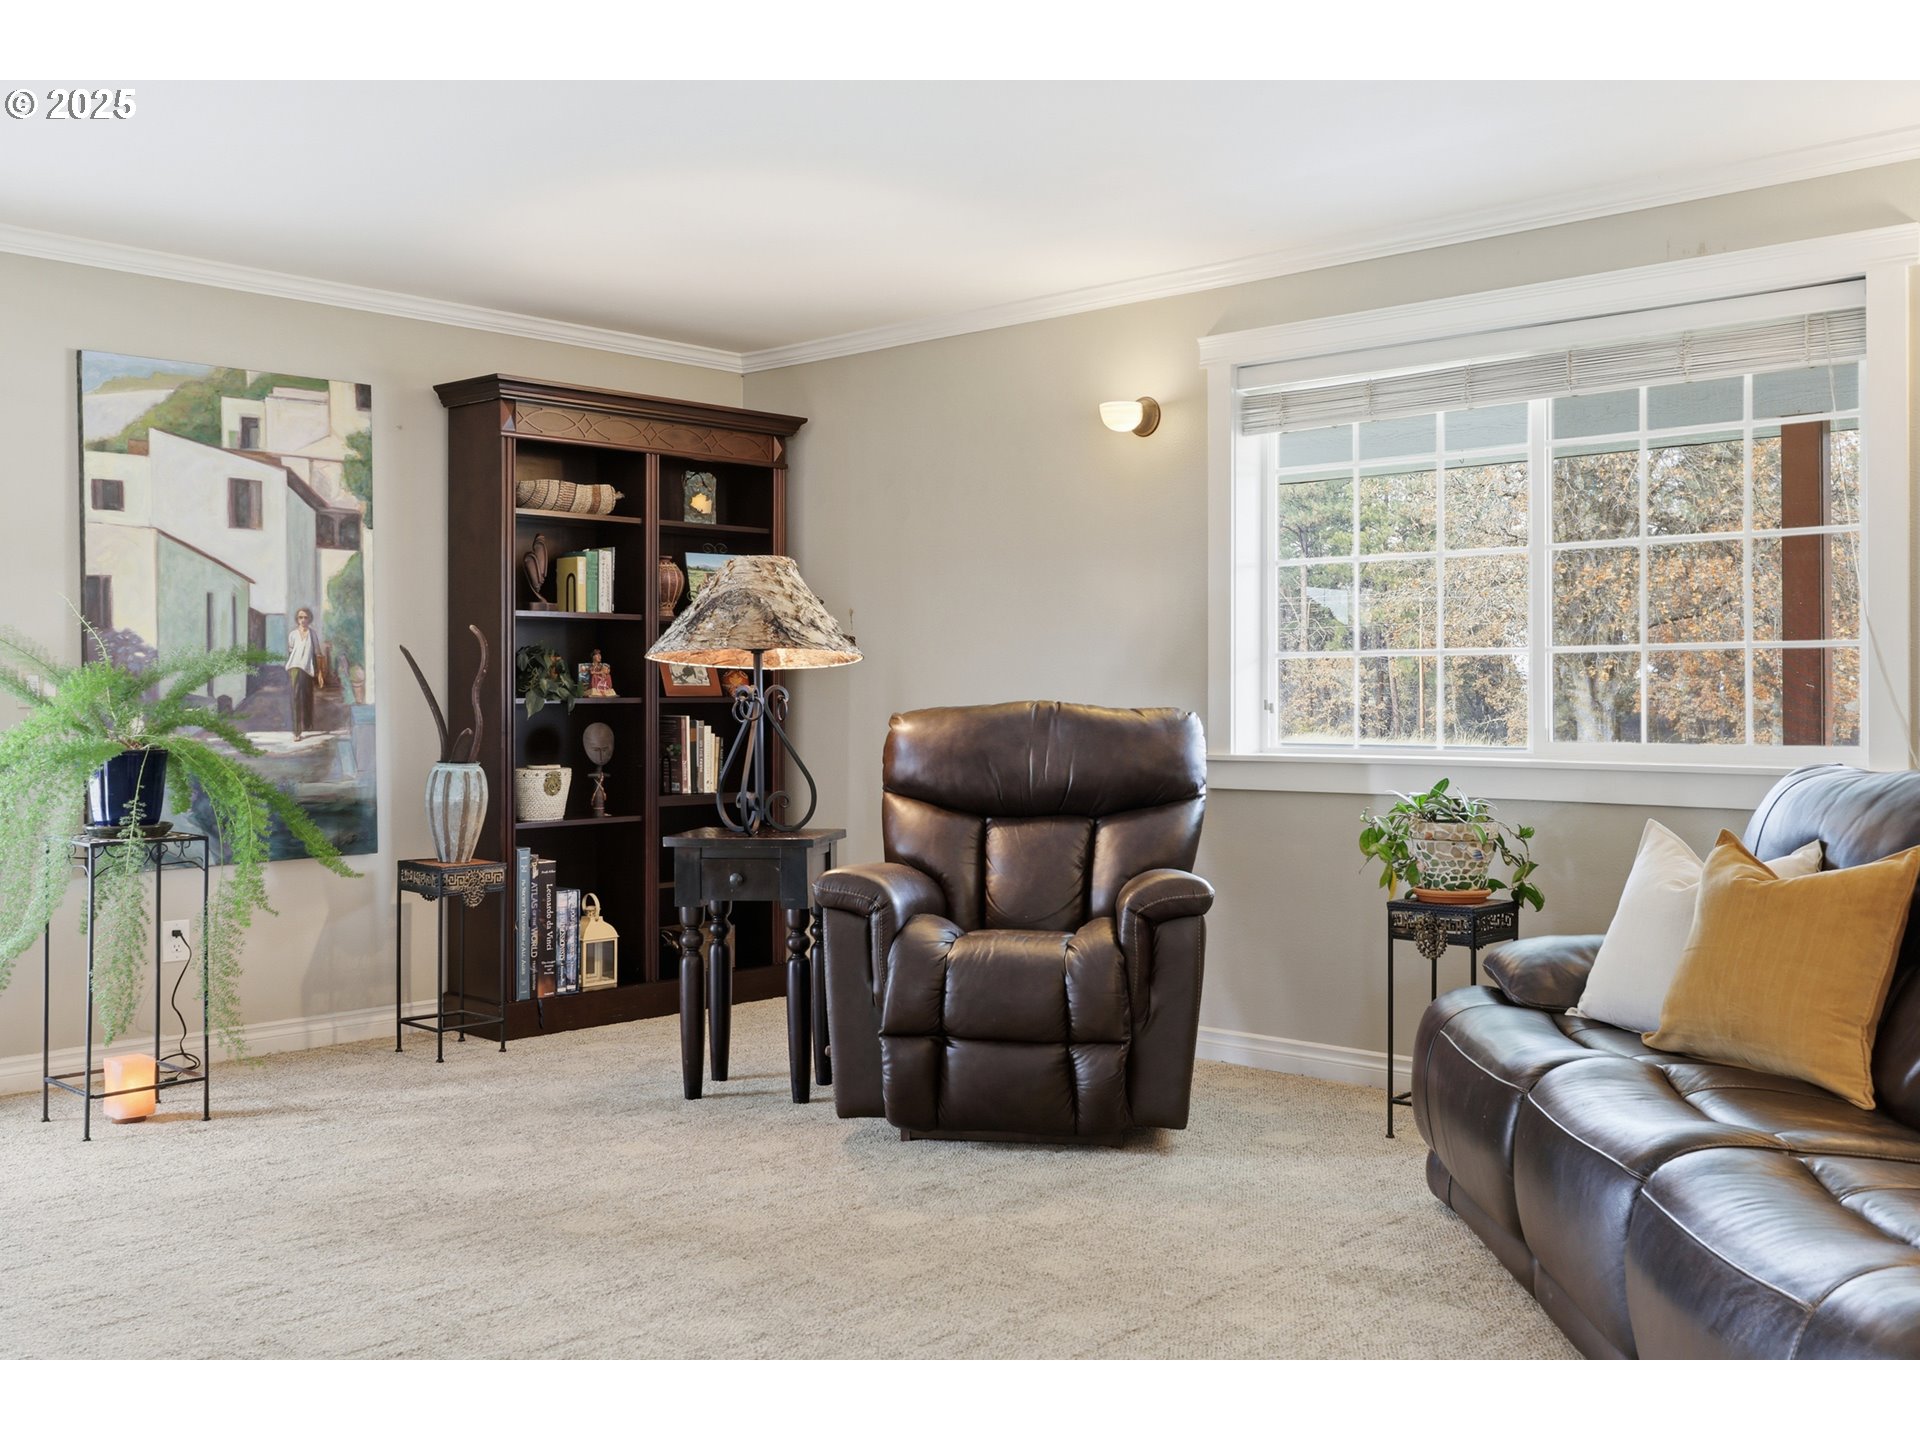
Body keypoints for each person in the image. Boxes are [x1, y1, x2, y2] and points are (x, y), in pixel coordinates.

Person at [286, 606, 317, 739]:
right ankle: (297, 731)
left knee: (308, 698)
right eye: (300, 617)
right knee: (295, 698)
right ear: (297, 619)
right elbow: (291, 651)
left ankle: (308, 725)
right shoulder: (293, 634)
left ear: (309, 619)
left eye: (305, 617)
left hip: (308, 669)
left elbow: (316, 653)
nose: (303, 620)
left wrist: (319, 673)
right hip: (294, 668)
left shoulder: (313, 634)